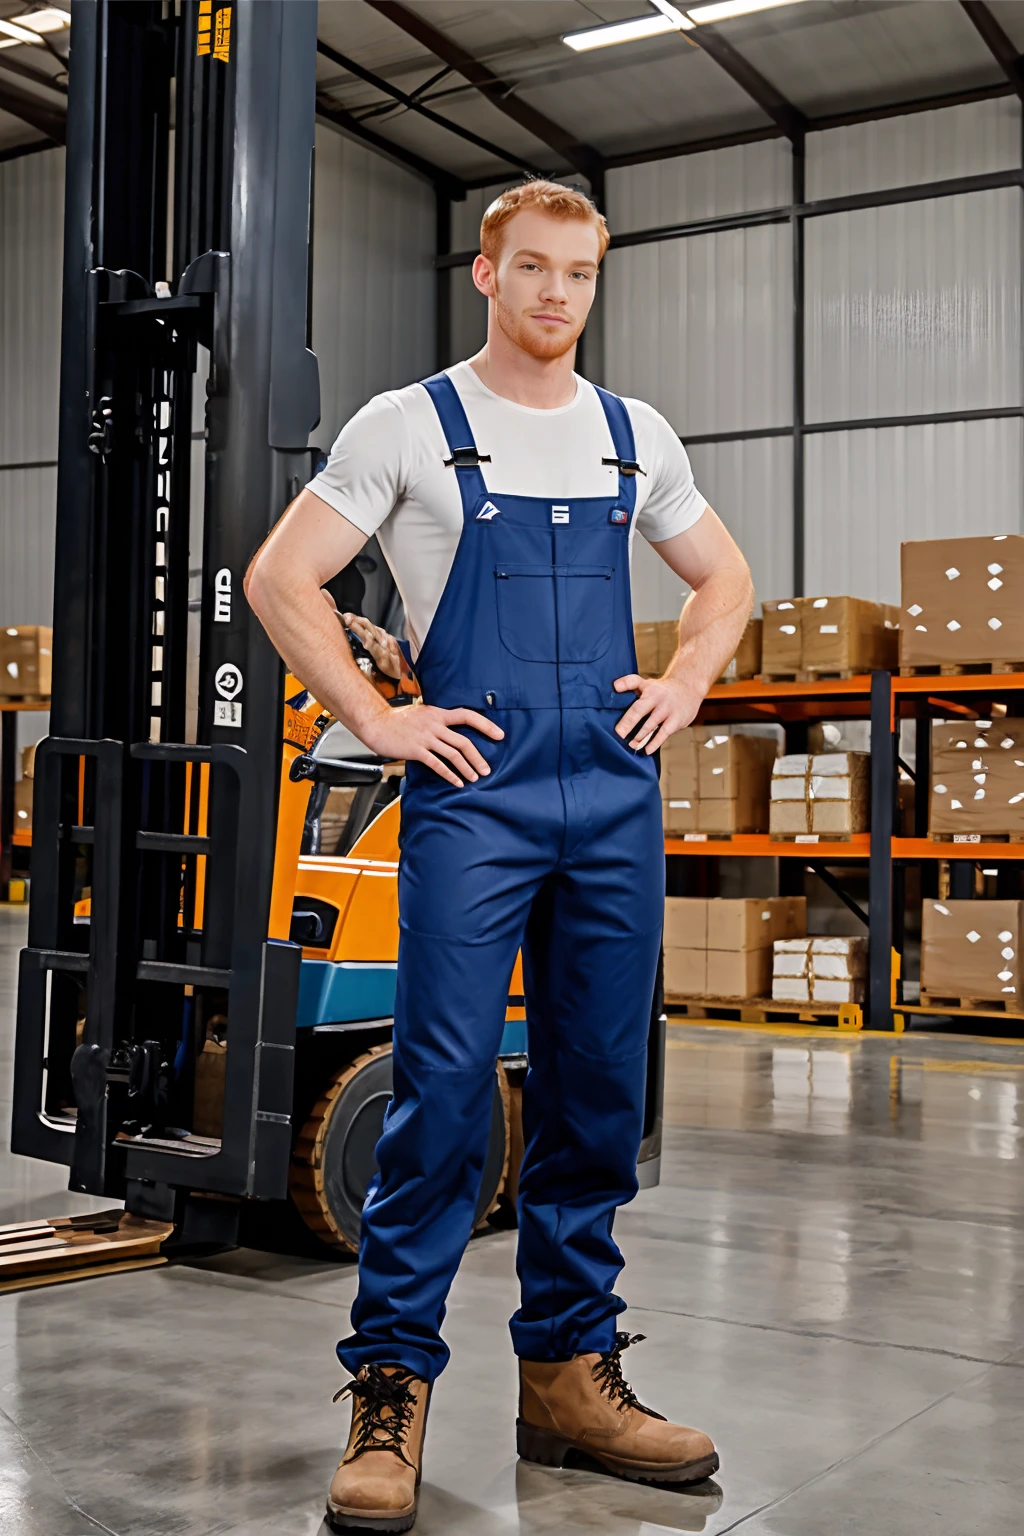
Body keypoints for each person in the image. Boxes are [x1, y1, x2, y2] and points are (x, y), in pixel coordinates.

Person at [245, 180, 753, 1533]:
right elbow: (280, 579)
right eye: (531, 270)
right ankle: (392, 1390)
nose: (555, 297)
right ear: (486, 274)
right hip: (474, 801)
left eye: (578, 276)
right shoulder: (410, 424)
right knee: (444, 1095)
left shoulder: (631, 435)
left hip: (610, 799)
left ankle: (569, 1381)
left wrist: (689, 681)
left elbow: (727, 579)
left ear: (595, 283)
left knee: (594, 1092)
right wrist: (378, 718)